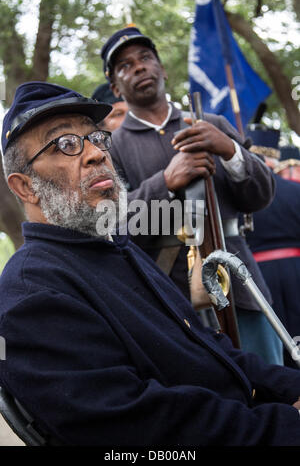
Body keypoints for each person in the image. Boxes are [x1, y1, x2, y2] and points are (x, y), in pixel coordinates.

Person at [1, 81, 300, 446]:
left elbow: (211, 349)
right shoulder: (33, 290)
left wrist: (290, 388)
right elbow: (137, 427)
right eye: (65, 144)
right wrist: (283, 426)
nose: (96, 153)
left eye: (97, 137)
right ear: (25, 187)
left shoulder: (120, 252)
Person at [100, 26, 281, 364]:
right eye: (125, 65)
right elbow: (114, 227)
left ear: (162, 68)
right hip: (173, 301)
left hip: (241, 285)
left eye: (146, 58)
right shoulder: (111, 149)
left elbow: (262, 195)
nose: (139, 67)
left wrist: (229, 149)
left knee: (277, 393)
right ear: (115, 88)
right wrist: (166, 181)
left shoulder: (210, 122)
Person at [246, 138, 300, 368]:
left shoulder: (243, 197)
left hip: (257, 277)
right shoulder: (295, 189)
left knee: (277, 343)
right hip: (296, 271)